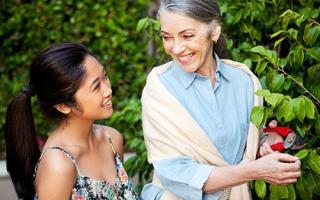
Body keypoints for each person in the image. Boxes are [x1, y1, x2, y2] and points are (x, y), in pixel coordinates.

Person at [140, 1, 301, 199]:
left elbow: (242, 145)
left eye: (187, 35)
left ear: (214, 31)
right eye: (167, 37)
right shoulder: (159, 87)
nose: (177, 48)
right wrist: (254, 171)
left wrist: (267, 143)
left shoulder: (245, 81)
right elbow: (175, 173)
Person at [5, 42, 138, 200]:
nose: (108, 90)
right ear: (63, 106)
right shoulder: (58, 165)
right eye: (96, 87)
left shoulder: (112, 140)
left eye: (105, 76)